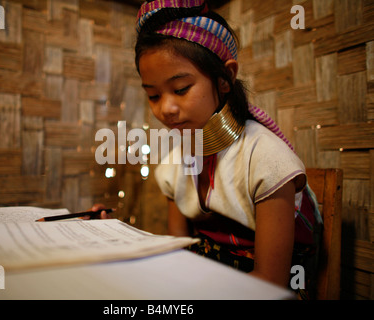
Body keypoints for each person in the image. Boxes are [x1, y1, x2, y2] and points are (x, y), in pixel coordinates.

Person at [96, 0, 321, 299]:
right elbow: (177, 252)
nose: (166, 109)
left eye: (180, 89)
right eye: (153, 95)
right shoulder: (176, 163)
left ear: (225, 78)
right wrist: (112, 237)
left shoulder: (266, 158)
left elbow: (270, 283)